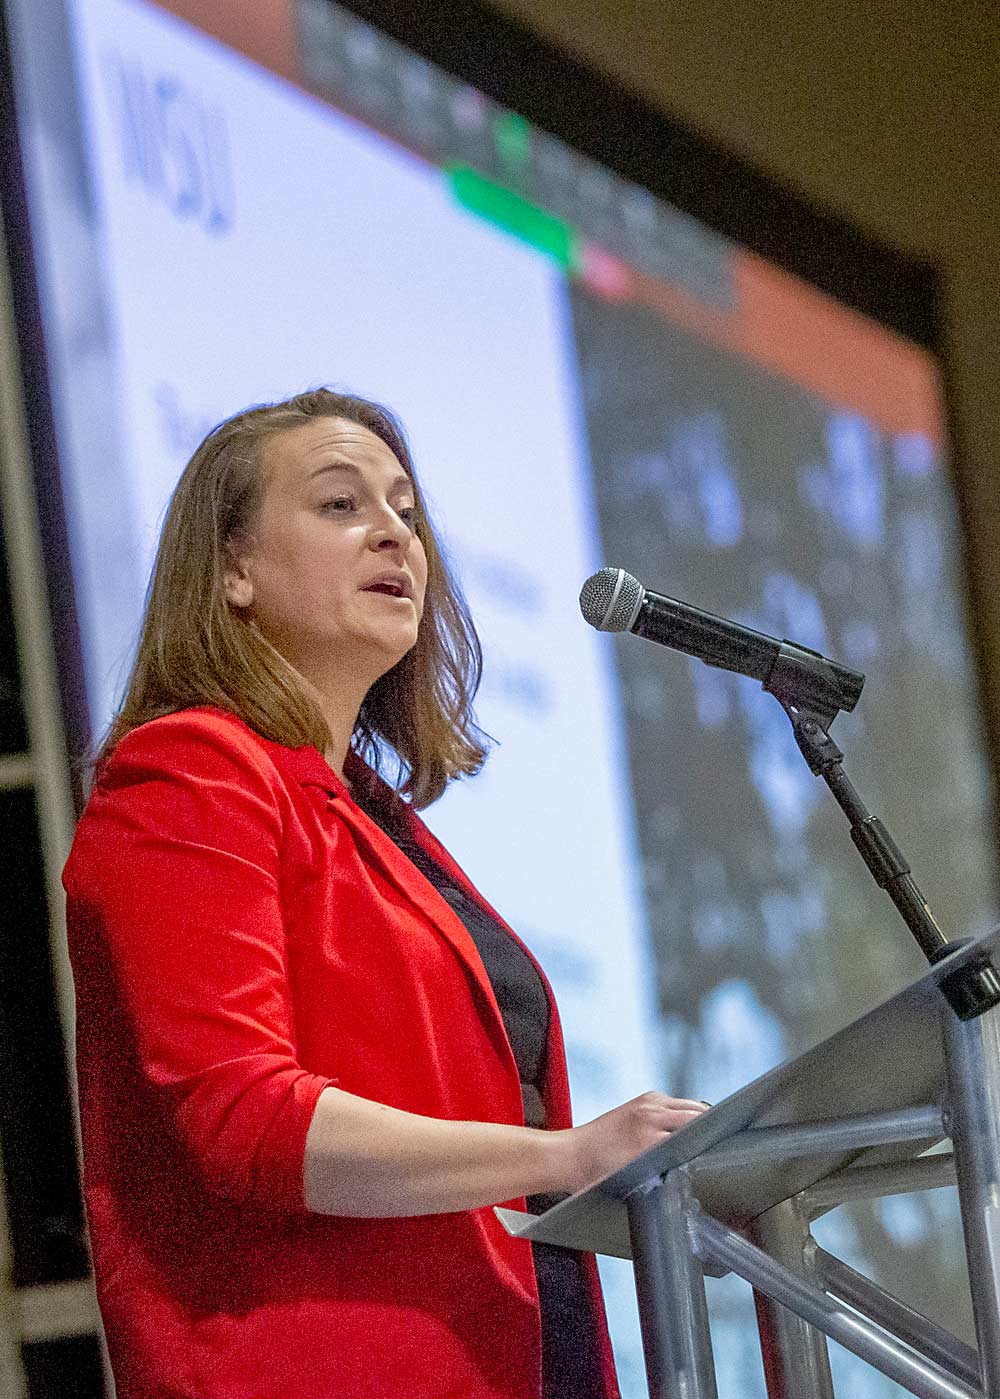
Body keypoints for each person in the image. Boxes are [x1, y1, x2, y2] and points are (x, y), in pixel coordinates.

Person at [62, 387, 708, 1399]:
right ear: (231, 568)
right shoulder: (185, 773)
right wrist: (563, 1153)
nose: (393, 534)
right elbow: (244, 1119)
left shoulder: (378, 822)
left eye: (405, 510)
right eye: (339, 505)